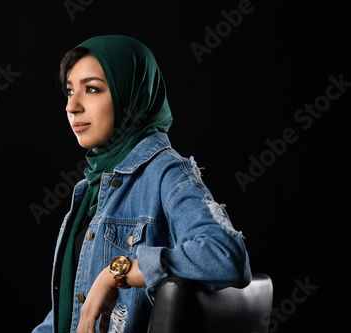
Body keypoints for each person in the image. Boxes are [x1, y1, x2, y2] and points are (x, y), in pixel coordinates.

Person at [33, 35, 251, 333]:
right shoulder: (90, 189)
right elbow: (69, 312)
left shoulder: (166, 171)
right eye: (70, 91)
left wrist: (117, 273)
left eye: (92, 89)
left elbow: (226, 256)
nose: (72, 106)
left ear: (132, 94)